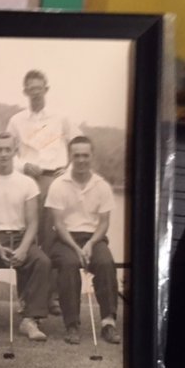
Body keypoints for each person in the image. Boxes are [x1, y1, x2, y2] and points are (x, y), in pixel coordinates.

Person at [6, 70, 79, 315]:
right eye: (30, 88)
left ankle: (50, 297)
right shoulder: (16, 120)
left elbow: (79, 144)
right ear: (25, 91)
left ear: (46, 89)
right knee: (25, 237)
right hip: (26, 182)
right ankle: (25, 298)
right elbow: (8, 152)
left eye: (39, 87)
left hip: (53, 181)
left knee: (51, 239)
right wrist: (23, 165)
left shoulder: (61, 117)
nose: (35, 92)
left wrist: (67, 172)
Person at [0, 133, 51, 342]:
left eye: (7, 149)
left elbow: (33, 223)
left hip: (21, 237)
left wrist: (23, 249)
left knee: (42, 262)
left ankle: (30, 320)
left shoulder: (27, 183)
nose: (3, 154)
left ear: (14, 152)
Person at [45, 136, 121, 345]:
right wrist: (76, 249)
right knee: (69, 264)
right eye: (76, 155)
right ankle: (72, 325)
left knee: (105, 263)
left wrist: (89, 245)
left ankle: (108, 323)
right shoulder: (58, 184)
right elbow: (59, 224)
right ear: (70, 156)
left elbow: (104, 223)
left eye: (85, 155)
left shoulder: (102, 185)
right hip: (64, 239)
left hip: (93, 239)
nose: (81, 160)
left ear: (92, 156)